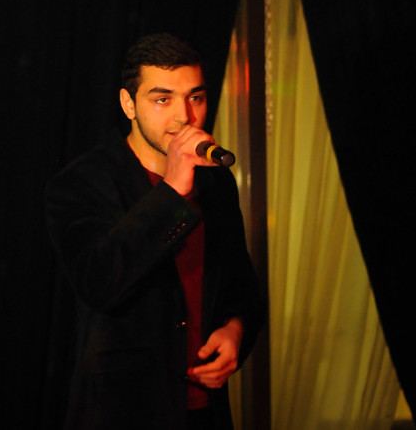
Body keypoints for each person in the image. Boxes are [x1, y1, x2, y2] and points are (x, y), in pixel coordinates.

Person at [45, 32, 264, 430]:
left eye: (195, 97)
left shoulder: (215, 183)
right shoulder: (83, 182)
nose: (184, 117)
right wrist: (173, 191)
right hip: (123, 412)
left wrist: (236, 330)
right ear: (128, 104)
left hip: (203, 409)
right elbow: (101, 282)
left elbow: (241, 286)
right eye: (163, 99)